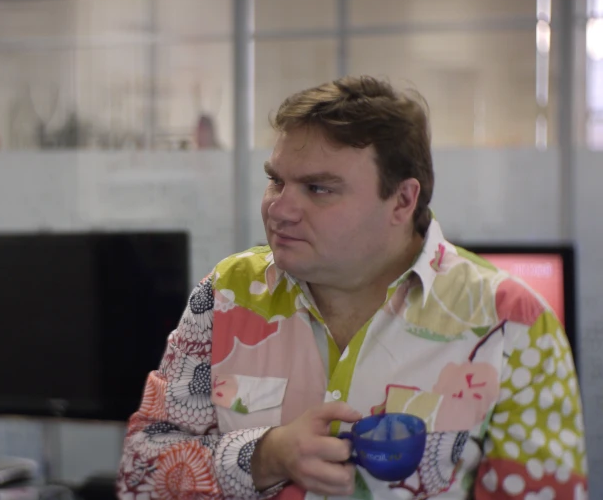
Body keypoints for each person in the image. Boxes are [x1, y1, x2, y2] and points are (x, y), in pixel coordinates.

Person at [116, 76, 588, 499]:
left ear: (402, 200)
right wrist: (266, 456)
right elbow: (140, 475)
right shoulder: (228, 294)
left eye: (319, 189)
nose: (280, 209)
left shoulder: (510, 324)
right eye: (275, 181)